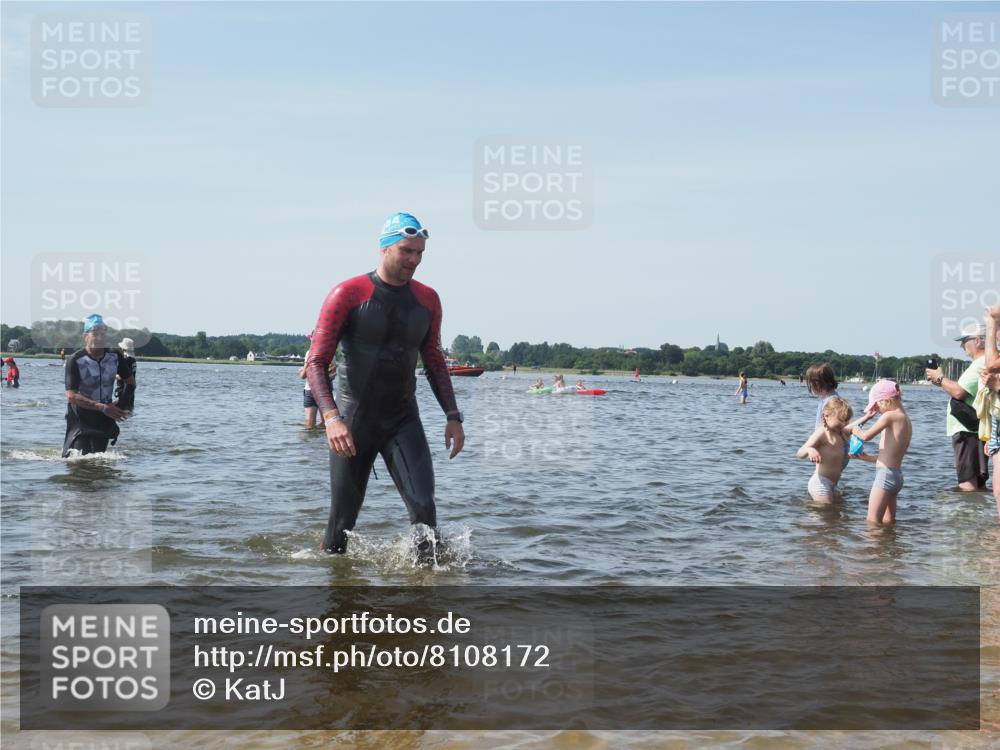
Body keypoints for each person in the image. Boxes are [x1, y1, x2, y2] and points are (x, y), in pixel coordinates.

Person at [306, 212, 464, 559]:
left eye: (420, 253)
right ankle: (333, 583)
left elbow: (434, 360)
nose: (414, 260)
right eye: (407, 251)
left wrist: (453, 416)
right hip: (352, 421)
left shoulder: (428, 299)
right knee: (341, 525)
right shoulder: (347, 294)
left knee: (424, 509)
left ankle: (425, 584)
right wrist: (331, 418)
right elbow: (316, 362)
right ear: (384, 248)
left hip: (403, 419)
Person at [926, 322, 989, 491]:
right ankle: (981, 506)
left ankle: (966, 508)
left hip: (967, 430)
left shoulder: (981, 363)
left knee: (967, 483)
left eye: (964, 340)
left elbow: (959, 392)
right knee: (978, 482)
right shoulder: (987, 362)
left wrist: (940, 378)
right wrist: (941, 381)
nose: (961, 345)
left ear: (978, 341)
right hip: (976, 429)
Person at [62, 314, 134, 457]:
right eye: (95, 334)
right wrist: (102, 407)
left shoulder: (114, 356)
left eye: (103, 334)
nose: (100, 338)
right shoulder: (75, 360)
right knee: (77, 459)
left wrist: (120, 405)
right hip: (81, 417)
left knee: (98, 456)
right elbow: (71, 396)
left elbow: (130, 382)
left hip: (104, 417)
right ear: (85, 336)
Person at [849, 380, 912, 525]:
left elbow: (866, 436)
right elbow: (892, 455)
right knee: (888, 522)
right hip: (896, 476)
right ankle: (888, 540)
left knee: (872, 521)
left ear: (886, 400)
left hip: (885, 477)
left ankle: (873, 541)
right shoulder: (906, 420)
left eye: (877, 405)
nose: (877, 410)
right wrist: (866, 458)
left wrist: (854, 429)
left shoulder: (889, 416)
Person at [797, 396, 853, 503]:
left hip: (833, 485)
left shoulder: (840, 433)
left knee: (835, 512)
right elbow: (800, 452)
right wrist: (810, 450)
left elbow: (855, 425)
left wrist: (868, 416)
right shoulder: (822, 432)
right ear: (826, 415)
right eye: (840, 421)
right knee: (825, 512)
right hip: (820, 484)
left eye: (846, 421)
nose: (843, 424)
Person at [300, 336, 336, 429]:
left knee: (310, 424)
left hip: (311, 390)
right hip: (325, 390)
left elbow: (303, 376)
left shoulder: (310, 352)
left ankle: (313, 437)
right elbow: (333, 375)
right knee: (326, 423)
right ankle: (320, 437)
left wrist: (301, 370)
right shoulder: (331, 354)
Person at [805, 363, 841, 428]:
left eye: (810, 382)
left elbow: (828, 428)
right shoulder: (826, 399)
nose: (810, 385)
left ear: (818, 383)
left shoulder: (832, 402)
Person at [114, 337, 138, 411]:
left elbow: (123, 376)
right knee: (129, 410)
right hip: (131, 391)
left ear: (123, 349)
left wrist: (112, 376)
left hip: (124, 389)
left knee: (121, 411)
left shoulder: (126, 360)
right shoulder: (133, 360)